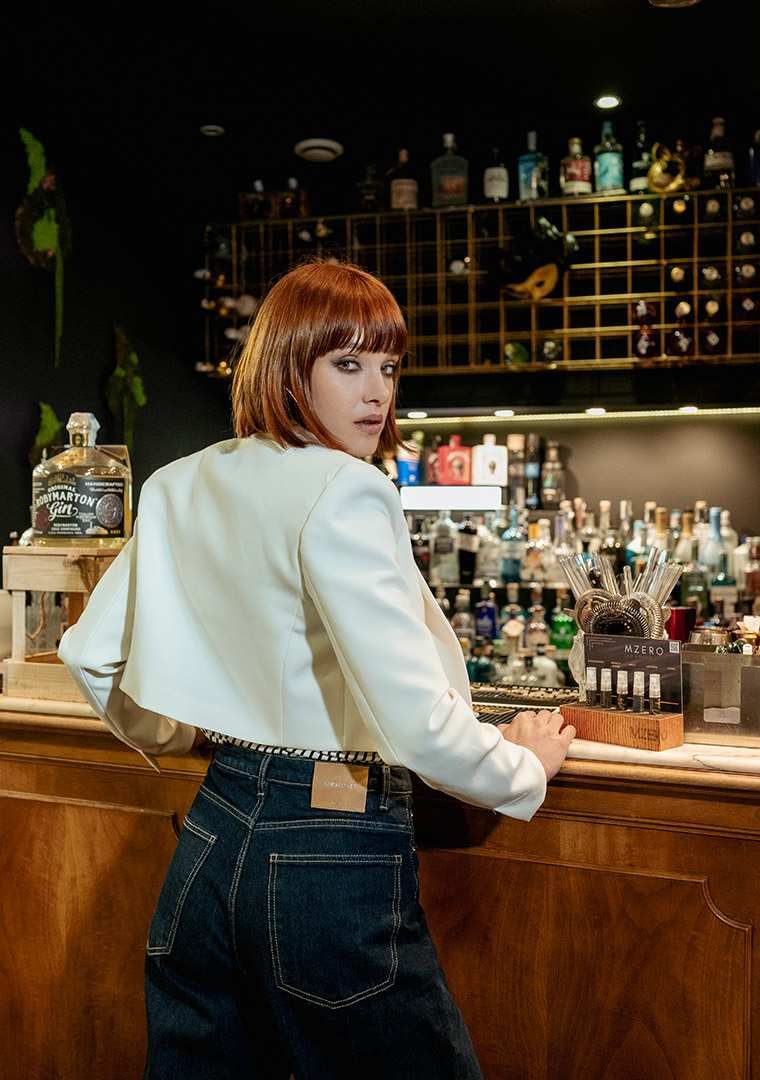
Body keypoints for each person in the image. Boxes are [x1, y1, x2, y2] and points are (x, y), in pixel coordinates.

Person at [58, 260, 575, 1079]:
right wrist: (519, 768)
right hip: (329, 848)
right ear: (286, 366)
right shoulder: (346, 488)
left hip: (210, 834)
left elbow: (89, 654)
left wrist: (179, 737)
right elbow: (417, 722)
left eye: (389, 367)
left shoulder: (181, 481)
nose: (376, 393)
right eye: (347, 363)